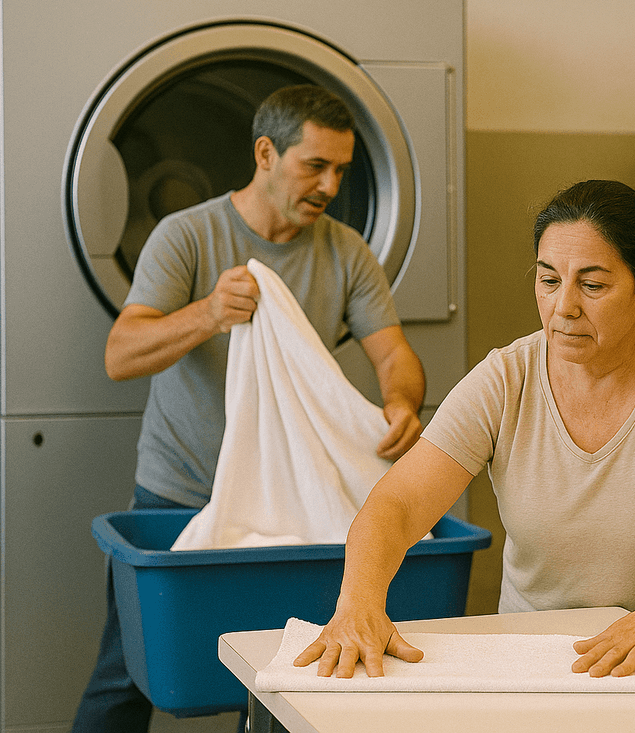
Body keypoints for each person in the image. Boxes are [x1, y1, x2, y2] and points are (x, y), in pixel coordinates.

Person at [295, 179, 635, 680]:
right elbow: (399, 502)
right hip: (543, 661)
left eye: (592, 285)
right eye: (549, 280)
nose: (564, 307)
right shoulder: (506, 378)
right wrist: (358, 603)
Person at [72, 85, 427, 732]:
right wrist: (208, 312)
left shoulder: (345, 251)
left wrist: (403, 401)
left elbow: (393, 351)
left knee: (281, 672)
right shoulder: (188, 235)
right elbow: (120, 354)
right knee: (125, 671)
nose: (329, 183)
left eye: (341, 170)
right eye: (313, 166)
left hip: (284, 505)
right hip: (180, 492)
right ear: (266, 153)